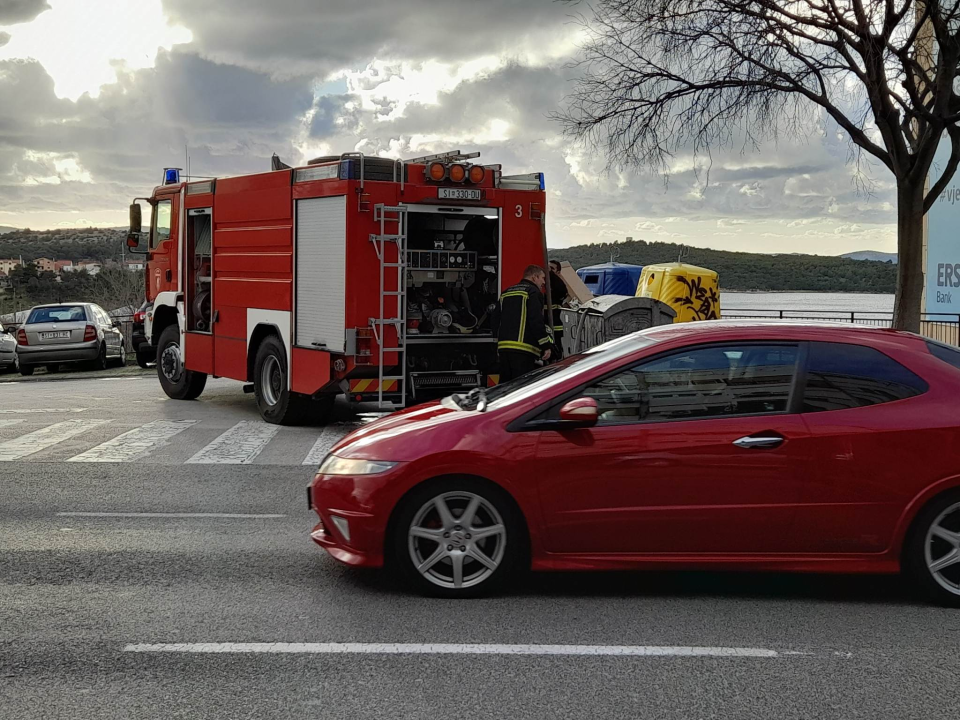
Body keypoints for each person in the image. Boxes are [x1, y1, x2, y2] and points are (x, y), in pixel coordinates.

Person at [491, 265, 552, 382]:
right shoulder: (533, 292)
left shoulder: (506, 292)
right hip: (523, 350)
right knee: (521, 388)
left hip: (504, 348)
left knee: (505, 386)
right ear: (534, 277)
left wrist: (498, 342)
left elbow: (495, 319)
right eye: (542, 278)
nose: (543, 282)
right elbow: (536, 320)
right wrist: (545, 345)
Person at [548, 260, 568, 360]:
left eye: (552, 269)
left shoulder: (558, 286)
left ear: (558, 272)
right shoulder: (542, 284)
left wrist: (550, 274)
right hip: (543, 328)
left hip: (555, 327)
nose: (549, 271)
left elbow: (562, 291)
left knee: (556, 353)